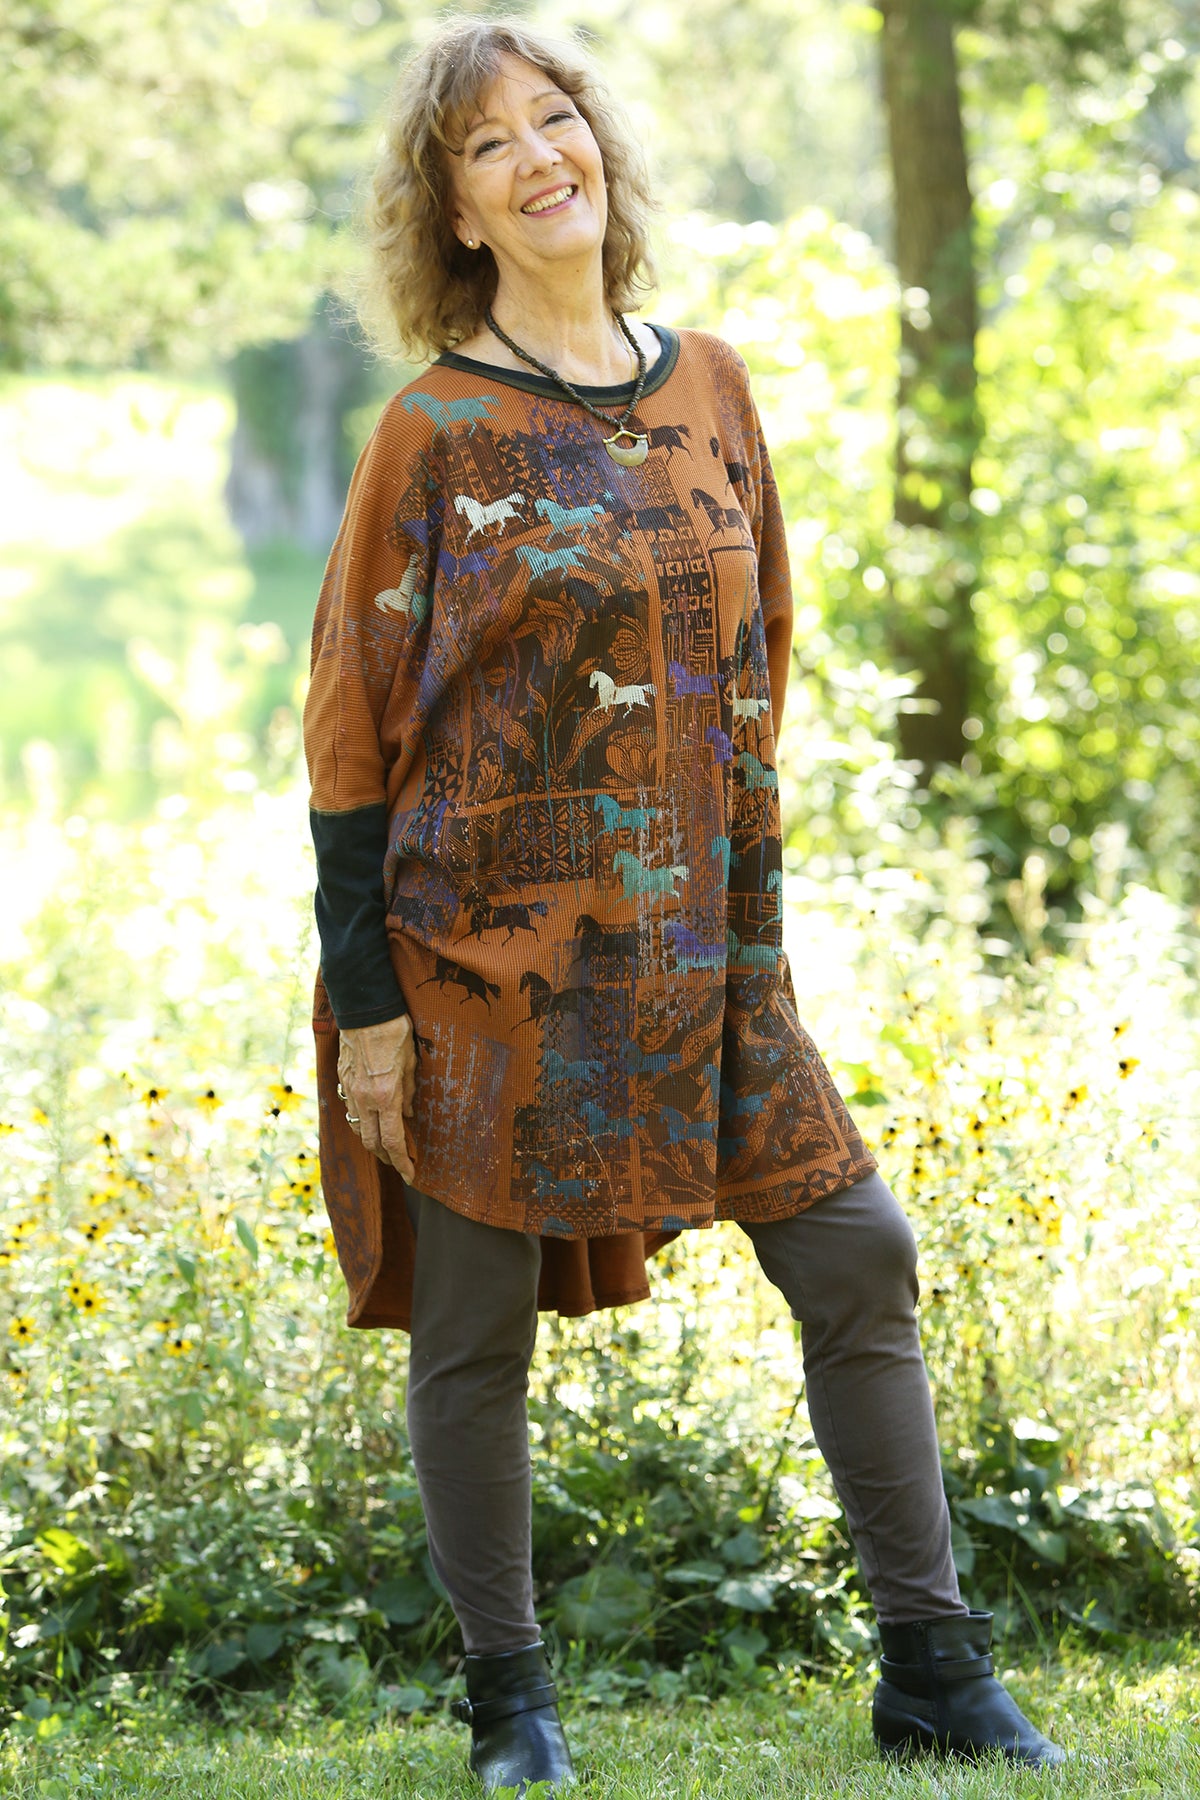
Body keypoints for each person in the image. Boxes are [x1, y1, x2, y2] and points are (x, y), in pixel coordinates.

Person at [303, 15, 1064, 1794]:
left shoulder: (709, 381)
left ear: (601, 148)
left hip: (707, 957)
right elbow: (347, 727)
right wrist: (370, 1007)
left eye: (554, 118)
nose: (537, 157)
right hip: (483, 969)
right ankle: (512, 1710)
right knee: (475, 1332)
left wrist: (730, 895)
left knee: (858, 1254)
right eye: (488, 145)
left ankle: (934, 1669)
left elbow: (761, 649)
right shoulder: (433, 432)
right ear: (456, 210)